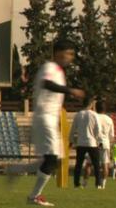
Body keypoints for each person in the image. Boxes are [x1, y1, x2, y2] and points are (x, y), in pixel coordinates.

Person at [27, 39, 85, 206]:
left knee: (53, 158)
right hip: (45, 117)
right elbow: (47, 83)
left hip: (50, 118)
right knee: (52, 158)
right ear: (59, 53)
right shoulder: (50, 67)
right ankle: (33, 196)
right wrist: (70, 90)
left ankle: (29, 188)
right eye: (69, 53)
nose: (71, 57)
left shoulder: (59, 71)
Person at [69, 98, 102, 189]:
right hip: (92, 143)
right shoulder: (94, 115)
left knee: (78, 164)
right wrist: (99, 141)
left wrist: (71, 140)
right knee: (96, 165)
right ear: (91, 104)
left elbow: (73, 129)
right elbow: (98, 129)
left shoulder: (78, 115)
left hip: (81, 143)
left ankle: (76, 184)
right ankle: (98, 184)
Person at [83, 100, 114, 189]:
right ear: (105, 108)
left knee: (89, 164)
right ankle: (102, 185)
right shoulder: (109, 119)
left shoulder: (93, 117)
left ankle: (84, 183)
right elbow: (111, 135)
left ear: (96, 107)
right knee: (105, 164)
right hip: (104, 143)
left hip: (93, 143)